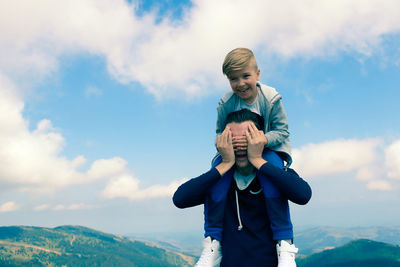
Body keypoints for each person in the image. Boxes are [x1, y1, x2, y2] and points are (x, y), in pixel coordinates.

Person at [173, 109, 312, 267]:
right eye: (233, 141)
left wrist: (258, 160)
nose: (239, 147)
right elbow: (180, 199)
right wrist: (224, 164)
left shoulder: (275, 175)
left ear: (259, 141)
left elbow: (303, 195)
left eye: (246, 140)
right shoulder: (219, 182)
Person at [204, 47, 294, 267]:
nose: (241, 83)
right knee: (218, 172)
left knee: (269, 172)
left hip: (269, 149)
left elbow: (282, 132)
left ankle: (284, 243)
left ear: (258, 74)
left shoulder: (271, 98)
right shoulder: (226, 103)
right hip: (235, 152)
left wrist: (259, 141)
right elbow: (218, 133)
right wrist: (226, 146)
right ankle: (212, 241)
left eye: (246, 76)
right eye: (233, 79)